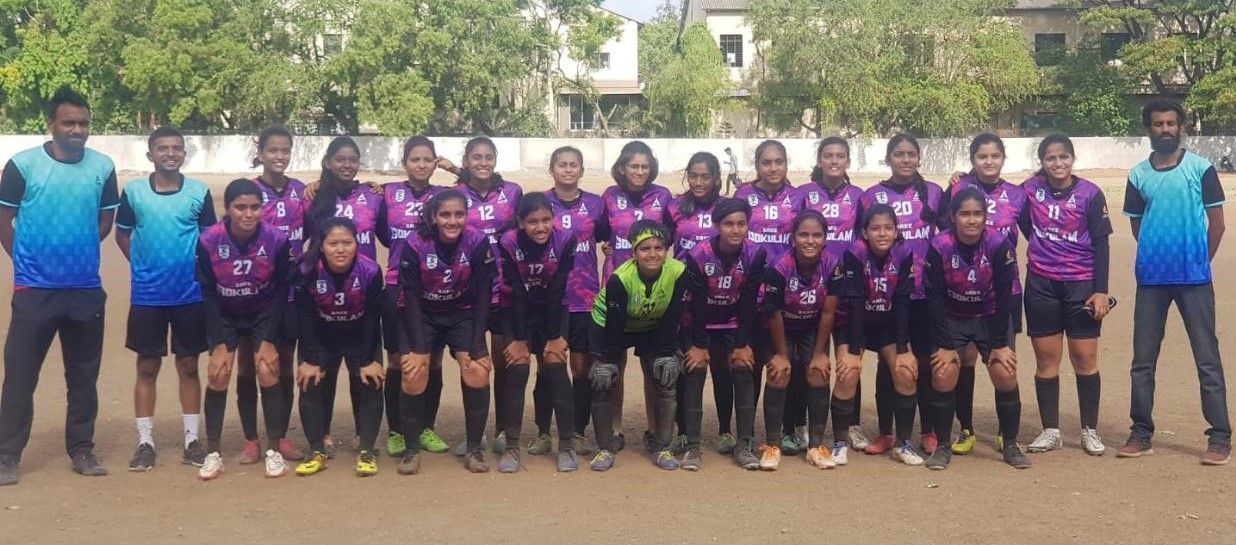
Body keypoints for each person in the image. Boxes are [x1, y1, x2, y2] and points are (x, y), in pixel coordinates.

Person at [0, 87, 119, 485]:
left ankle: (82, 449)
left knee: (83, 376)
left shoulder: (103, 167)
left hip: (85, 288)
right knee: (20, 375)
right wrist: (24, 259)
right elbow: (4, 218)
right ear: (50, 124)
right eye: (68, 122)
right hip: (35, 290)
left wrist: (80, 247)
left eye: (83, 123)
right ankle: (7, 455)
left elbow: (104, 221)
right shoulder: (22, 165)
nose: (77, 130)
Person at [1121, 100, 1230, 465]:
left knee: (1207, 359)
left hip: (1194, 279)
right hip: (1151, 280)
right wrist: (1158, 254)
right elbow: (1138, 226)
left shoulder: (1201, 169)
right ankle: (1141, 432)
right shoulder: (1138, 175)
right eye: (1157, 124)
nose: (1164, 129)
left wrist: (1198, 260)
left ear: (1180, 126)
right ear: (1148, 129)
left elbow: (1217, 225)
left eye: (1170, 123)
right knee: (1142, 361)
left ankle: (1219, 437)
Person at [116, 127, 215, 471]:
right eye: (163, 148)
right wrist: (143, 266)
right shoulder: (134, 192)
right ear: (150, 155)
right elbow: (123, 234)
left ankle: (191, 440)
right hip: (148, 295)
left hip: (189, 293)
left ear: (184, 154)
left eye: (176, 148)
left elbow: (209, 241)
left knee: (188, 365)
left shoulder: (199, 193)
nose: (170, 153)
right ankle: (145, 442)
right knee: (147, 365)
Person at [921, 187, 1029, 470]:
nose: (971, 220)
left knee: (1004, 372)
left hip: (989, 314)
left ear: (985, 217)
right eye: (965, 214)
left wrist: (999, 343)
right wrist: (945, 344)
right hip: (952, 316)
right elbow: (933, 295)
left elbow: (1005, 294)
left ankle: (1011, 444)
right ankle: (943, 446)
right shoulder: (939, 245)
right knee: (943, 374)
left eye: (977, 214)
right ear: (953, 217)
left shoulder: (998, 244)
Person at [1019, 134, 1112, 456]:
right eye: (1050, 158)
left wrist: (1101, 290)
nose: (1058, 163)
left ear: (1072, 159)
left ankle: (1089, 430)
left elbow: (1101, 243)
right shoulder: (1030, 190)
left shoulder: (1090, 193)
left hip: (1082, 285)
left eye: (1063, 157)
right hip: (1041, 284)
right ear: (1042, 162)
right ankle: (1051, 430)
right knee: (1047, 361)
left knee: (1084, 359)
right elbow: (1015, 215)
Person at [196, 179, 294, 480]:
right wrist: (219, 344)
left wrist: (268, 340)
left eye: (254, 207)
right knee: (219, 372)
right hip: (225, 313)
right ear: (227, 209)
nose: (248, 214)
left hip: (263, 311)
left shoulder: (277, 239)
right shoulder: (209, 240)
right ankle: (213, 452)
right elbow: (209, 293)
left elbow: (281, 291)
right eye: (240, 207)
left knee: (267, 368)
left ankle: (274, 450)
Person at [397, 189, 496, 473]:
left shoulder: (477, 241)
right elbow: (411, 296)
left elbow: (483, 295)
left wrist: (477, 343)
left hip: (461, 313)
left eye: (459, 214)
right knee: (414, 373)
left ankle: (475, 449)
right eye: (445, 215)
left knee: (477, 370)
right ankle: (411, 449)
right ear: (433, 216)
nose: (452, 221)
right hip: (423, 314)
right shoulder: (415, 244)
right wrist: (418, 349)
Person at [859, 134, 944, 456]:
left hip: (926, 292)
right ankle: (885, 432)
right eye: (899, 154)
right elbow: (861, 240)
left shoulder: (934, 193)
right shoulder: (871, 196)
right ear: (888, 158)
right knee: (888, 363)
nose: (905, 160)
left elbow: (947, 234)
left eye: (911, 154)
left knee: (923, 361)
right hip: (888, 294)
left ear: (919, 158)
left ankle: (930, 429)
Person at [943, 133, 1027, 456]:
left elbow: (1038, 235)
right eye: (982, 156)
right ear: (972, 159)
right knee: (964, 360)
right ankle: (965, 428)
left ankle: (1009, 437)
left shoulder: (1018, 195)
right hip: (961, 292)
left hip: (1004, 293)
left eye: (994, 156)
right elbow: (944, 231)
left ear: (1003, 158)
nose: (988, 162)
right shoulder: (957, 189)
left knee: (1002, 361)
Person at [303, 136, 383, 457]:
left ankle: (362, 437)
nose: (347, 165)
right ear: (328, 161)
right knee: (326, 366)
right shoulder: (311, 195)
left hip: (363, 287)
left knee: (362, 363)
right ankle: (321, 433)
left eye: (353, 159)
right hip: (323, 285)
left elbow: (391, 232)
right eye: (341, 159)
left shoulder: (374, 195)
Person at [444, 136, 523, 456]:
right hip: (468, 290)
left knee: (504, 363)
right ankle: (473, 433)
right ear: (466, 161)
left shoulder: (513, 192)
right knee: (473, 362)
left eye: (488, 156)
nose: (483, 162)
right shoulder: (454, 195)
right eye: (476, 157)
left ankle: (503, 429)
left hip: (504, 287)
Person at [588, 220, 688, 472]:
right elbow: (613, 322)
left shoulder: (677, 271)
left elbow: (673, 314)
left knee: (665, 376)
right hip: (611, 325)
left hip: (653, 325)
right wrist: (606, 359)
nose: (652, 254)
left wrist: (667, 352)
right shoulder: (620, 278)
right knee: (604, 378)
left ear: (666, 250)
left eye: (658, 248)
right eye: (645, 249)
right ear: (634, 253)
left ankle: (661, 444)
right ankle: (605, 446)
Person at [292, 218, 385, 477]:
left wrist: (368, 359)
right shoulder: (307, 269)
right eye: (333, 244)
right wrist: (310, 358)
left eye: (347, 243)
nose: (340, 249)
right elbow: (305, 316)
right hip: (321, 335)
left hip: (359, 334)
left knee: (371, 379)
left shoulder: (370, 270)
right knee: (310, 380)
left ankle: (366, 449)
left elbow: (371, 317)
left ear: (357, 244)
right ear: (321, 246)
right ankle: (317, 449)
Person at [377, 136, 451, 459]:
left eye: (427, 159)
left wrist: (457, 169)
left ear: (436, 163)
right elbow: (382, 232)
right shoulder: (387, 193)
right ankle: (396, 430)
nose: (421, 165)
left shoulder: (446, 196)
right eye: (414, 159)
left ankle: (425, 427)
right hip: (396, 284)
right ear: (404, 162)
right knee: (398, 360)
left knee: (432, 360)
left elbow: (483, 185)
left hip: (433, 288)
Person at [236, 127, 305, 465]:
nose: (279, 156)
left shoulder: (301, 191)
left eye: (285, 150)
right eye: (273, 150)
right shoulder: (250, 191)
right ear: (260, 153)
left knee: (284, 365)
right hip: (253, 293)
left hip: (289, 292)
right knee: (250, 366)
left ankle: (279, 436)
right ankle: (251, 439)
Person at [680, 198, 766, 471]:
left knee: (743, 367)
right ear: (717, 226)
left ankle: (744, 443)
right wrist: (699, 344)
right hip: (698, 321)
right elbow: (696, 301)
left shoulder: (755, 254)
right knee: (696, 368)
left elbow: (749, 301)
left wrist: (742, 344)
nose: (735, 230)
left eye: (741, 224)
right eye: (729, 224)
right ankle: (693, 447)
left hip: (732, 320)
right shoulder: (698, 254)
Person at [798, 136, 870, 451]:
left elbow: (869, 236)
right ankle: (802, 424)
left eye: (840, 156)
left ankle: (850, 424)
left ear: (848, 162)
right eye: (828, 156)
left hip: (849, 288)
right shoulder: (803, 194)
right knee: (810, 359)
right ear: (820, 160)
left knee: (850, 360)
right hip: (811, 287)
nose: (834, 161)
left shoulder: (859, 196)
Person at [498, 193, 578, 472]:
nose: (540, 227)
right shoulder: (507, 241)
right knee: (518, 368)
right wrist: (519, 339)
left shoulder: (566, 239)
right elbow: (517, 291)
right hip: (517, 311)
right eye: (532, 222)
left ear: (554, 220)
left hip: (552, 310)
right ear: (520, 222)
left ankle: (565, 444)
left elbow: (557, 289)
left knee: (555, 367)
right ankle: (511, 447)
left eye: (546, 220)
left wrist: (556, 336)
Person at [600, 141, 673, 452]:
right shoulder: (609, 196)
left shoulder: (664, 196)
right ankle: (615, 428)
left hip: (652, 288)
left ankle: (655, 428)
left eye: (644, 166)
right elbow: (601, 231)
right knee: (614, 361)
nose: (639, 171)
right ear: (623, 167)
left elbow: (672, 234)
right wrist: (608, 248)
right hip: (617, 285)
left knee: (651, 364)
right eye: (634, 166)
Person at [536, 146, 607, 457]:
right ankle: (541, 432)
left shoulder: (595, 204)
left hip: (585, 298)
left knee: (581, 369)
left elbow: (605, 237)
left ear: (581, 170)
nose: (567, 170)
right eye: (561, 164)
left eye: (573, 165)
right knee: (548, 367)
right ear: (552, 169)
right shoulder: (540, 203)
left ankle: (577, 431)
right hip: (549, 298)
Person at [761, 210, 845, 470]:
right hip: (780, 327)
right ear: (793, 238)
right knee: (779, 372)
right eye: (803, 234)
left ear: (825, 239)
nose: (810, 240)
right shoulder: (779, 266)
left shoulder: (833, 266)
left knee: (818, 372)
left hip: (811, 328)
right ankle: (772, 445)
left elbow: (829, 311)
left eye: (817, 235)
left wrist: (820, 353)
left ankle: (815, 447)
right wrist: (781, 354)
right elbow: (773, 313)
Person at [735, 140, 803, 454]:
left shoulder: (798, 197)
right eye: (766, 162)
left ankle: (788, 430)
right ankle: (746, 435)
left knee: (786, 364)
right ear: (757, 165)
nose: (773, 168)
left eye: (778, 161)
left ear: (786, 163)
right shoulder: (742, 195)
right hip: (749, 291)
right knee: (750, 365)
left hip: (787, 294)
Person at [666, 152, 723, 258]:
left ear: (716, 178)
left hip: (716, 274)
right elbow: (661, 245)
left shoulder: (726, 208)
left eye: (705, 177)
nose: (698, 183)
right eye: (693, 176)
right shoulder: (674, 207)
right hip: (684, 273)